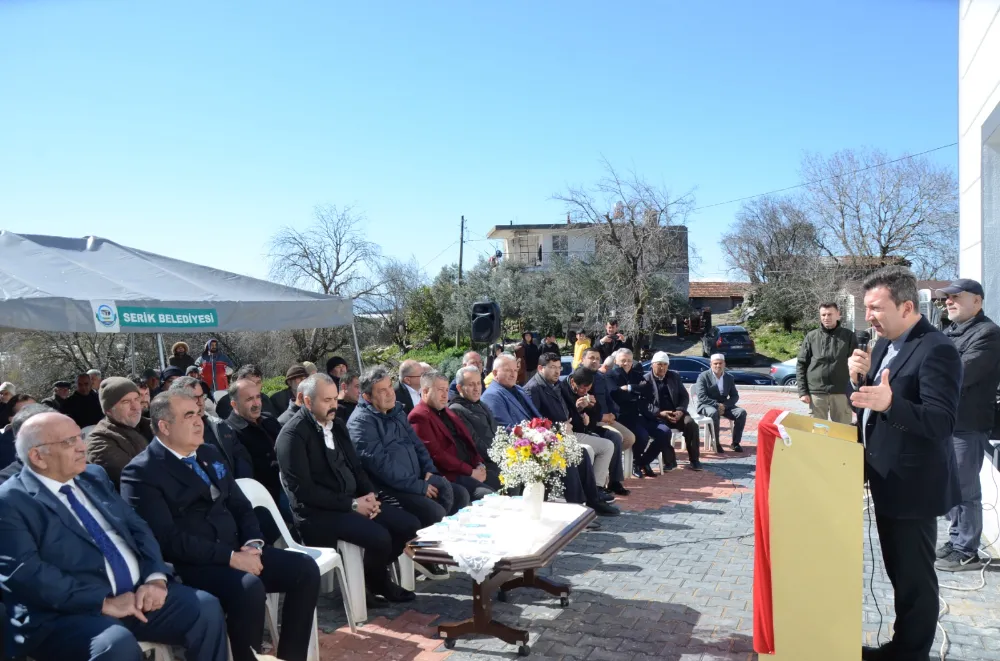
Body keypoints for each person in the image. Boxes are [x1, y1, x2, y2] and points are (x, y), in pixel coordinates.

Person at [1, 411, 228, 661]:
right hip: (66, 614)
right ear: (37, 456)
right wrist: (104, 602)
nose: (81, 447)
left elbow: (137, 527)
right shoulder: (11, 501)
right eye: (69, 442)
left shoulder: (93, 476)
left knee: (204, 608)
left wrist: (155, 579)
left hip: (137, 597)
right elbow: (27, 575)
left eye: (80, 437)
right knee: (116, 645)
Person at [121, 391, 320, 661]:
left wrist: (252, 544)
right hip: (193, 564)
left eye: (198, 413)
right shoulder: (141, 473)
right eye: (188, 416)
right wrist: (231, 558)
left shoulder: (207, 452)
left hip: (238, 549)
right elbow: (166, 539)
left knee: (304, 569)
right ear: (165, 426)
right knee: (248, 588)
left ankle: (290, 657)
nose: (198, 421)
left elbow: (239, 504)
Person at [847, 266, 963, 661]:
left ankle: (911, 654)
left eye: (876, 308)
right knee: (899, 573)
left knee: (914, 581)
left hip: (914, 486)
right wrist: (856, 383)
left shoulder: (937, 349)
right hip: (885, 479)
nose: (869, 317)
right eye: (867, 308)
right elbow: (873, 402)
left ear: (907, 306)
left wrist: (892, 403)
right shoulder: (884, 345)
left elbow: (942, 421)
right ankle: (901, 647)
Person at [276, 373, 418, 605]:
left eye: (335, 399)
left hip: (352, 502)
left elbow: (356, 467)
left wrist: (369, 495)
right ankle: (376, 582)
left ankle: (370, 577)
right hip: (318, 514)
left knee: (408, 525)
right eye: (326, 400)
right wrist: (352, 504)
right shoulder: (292, 437)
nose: (333, 405)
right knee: (379, 537)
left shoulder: (337, 424)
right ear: (308, 401)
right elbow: (304, 492)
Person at [482, 354, 618, 516]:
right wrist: (545, 435)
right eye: (507, 371)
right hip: (523, 448)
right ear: (495, 373)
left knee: (580, 452)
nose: (513, 374)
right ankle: (576, 510)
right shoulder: (493, 395)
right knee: (569, 456)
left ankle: (592, 501)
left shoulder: (517, 389)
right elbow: (507, 429)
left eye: (515, 370)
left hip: (539, 439)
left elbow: (536, 417)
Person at [935, 278, 1000, 571]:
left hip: (968, 424)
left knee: (965, 488)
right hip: (946, 422)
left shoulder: (988, 334)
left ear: (977, 301)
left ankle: (967, 549)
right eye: (947, 298)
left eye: (956, 297)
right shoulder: (948, 332)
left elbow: (959, 373)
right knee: (949, 486)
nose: (949, 302)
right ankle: (955, 539)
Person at [348, 366, 462, 527]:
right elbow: (381, 466)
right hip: (392, 490)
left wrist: (429, 472)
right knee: (434, 512)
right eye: (382, 390)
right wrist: (419, 486)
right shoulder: (361, 423)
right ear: (367, 396)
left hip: (416, 479)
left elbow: (418, 445)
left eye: (389, 386)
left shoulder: (397, 412)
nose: (390, 393)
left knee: (459, 494)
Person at [409, 371, 494, 502]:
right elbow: (437, 455)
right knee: (488, 496)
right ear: (425, 391)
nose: (445, 395)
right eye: (440, 390)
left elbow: (467, 440)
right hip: (451, 474)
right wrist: (470, 472)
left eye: (447, 390)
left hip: (470, 467)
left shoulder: (446, 410)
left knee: (506, 480)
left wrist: (478, 464)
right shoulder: (419, 416)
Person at [559, 367, 630, 495]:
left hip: (590, 427)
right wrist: (578, 410)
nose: (585, 391)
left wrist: (592, 407)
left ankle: (614, 482)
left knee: (615, 437)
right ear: (573, 382)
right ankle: (596, 487)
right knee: (606, 444)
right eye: (582, 388)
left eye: (588, 388)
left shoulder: (588, 387)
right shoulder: (562, 390)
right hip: (575, 430)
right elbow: (565, 419)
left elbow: (597, 415)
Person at [225, 377, 286, 521]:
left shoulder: (269, 420)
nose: (256, 403)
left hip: (290, 483)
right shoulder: (228, 432)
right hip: (266, 497)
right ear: (234, 404)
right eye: (249, 399)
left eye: (258, 397)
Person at [170, 377, 253, 480]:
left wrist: (240, 484)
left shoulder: (220, 425)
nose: (200, 402)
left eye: (202, 396)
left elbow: (241, 456)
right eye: (194, 398)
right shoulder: (171, 437)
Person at [608, 349, 670, 478]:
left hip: (642, 414)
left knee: (665, 432)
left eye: (629, 361)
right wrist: (637, 393)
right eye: (623, 360)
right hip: (624, 417)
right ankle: (637, 464)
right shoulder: (611, 375)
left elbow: (647, 390)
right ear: (616, 361)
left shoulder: (636, 374)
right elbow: (618, 395)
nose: (626, 363)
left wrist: (630, 388)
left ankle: (642, 462)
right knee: (642, 436)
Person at [86, 377, 153, 489]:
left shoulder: (153, 425)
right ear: (109, 410)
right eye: (126, 402)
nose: (135, 407)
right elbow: (136, 479)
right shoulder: (99, 441)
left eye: (137, 399)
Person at [796, 302, 855, 424]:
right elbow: (801, 364)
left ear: (838, 315)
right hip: (817, 393)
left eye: (830, 314)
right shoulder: (811, 337)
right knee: (818, 433)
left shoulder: (849, 336)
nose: (826, 318)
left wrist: (855, 389)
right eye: (823, 315)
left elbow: (856, 364)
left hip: (842, 392)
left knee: (843, 433)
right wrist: (803, 391)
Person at [448, 365, 503, 490]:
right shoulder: (456, 410)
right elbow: (474, 442)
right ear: (459, 388)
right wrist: (498, 457)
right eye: (471, 384)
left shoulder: (481, 404)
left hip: (497, 458)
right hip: (482, 464)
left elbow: (497, 431)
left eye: (478, 383)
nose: (477, 388)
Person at [640, 353, 696, 470]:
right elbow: (644, 403)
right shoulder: (645, 380)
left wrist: (680, 410)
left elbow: (684, 396)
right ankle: (670, 462)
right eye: (659, 364)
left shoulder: (673, 376)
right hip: (659, 415)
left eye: (665, 365)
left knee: (691, 424)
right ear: (652, 365)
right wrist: (660, 413)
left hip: (677, 413)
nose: (662, 367)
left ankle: (695, 460)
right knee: (663, 431)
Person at [580, 347, 637, 455]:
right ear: (582, 360)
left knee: (629, 438)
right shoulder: (578, 378)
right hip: (593, 421)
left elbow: (608, 398)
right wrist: (601, 416)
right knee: (617, 437)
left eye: (597, 359)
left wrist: (613, 414)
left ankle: (607, 461)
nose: (595, 361)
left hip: (608, 419)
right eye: (591, 358)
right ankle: (608, 464)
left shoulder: (600, 377)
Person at [693, 354, 746, 455]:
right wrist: (717, 405)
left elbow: (735, 396)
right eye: (715, 363)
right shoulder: (703, 376)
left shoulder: (729, 377)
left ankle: (735, 443)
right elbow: (701, 396)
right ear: (711, 364)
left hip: (724, 405)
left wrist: (724, 405)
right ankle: (715, 443)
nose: (718, 366)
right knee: (713, 413)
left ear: (724, 364)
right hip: (706, 405)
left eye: (720, 363)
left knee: (741, 412)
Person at [0, 394, 36, 468]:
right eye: (26, 413)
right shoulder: (6, 445)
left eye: (37, 409)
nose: (34, 415)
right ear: (12, 419)